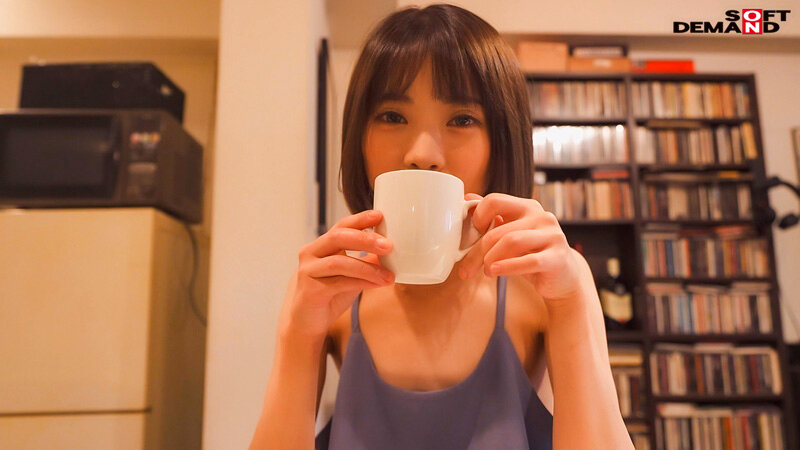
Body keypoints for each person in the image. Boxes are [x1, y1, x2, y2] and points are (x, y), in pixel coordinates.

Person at [250, 4, 633, 449]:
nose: (422, 154)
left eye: (462, 120)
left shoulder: (543, 286)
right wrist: (298, 333)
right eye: (392, 116)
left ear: (501, 141)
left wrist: (571, 300)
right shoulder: (329, 291)